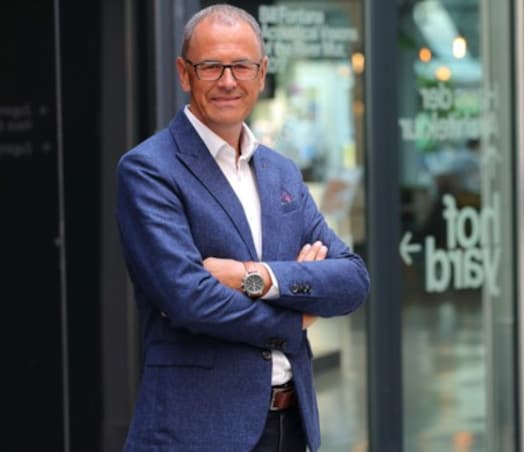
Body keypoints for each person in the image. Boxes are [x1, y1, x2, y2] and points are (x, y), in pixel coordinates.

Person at [115, 4, 369, 451]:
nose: (228, 80)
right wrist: (299, 316)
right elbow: (190, 299)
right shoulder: (148, 170)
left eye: (242, 66)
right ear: (183, 72)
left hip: (291, 427)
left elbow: (352, 279)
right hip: (197, 431)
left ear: (262, 72)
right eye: (211, 66)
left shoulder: (282, 174)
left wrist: (255, 277)